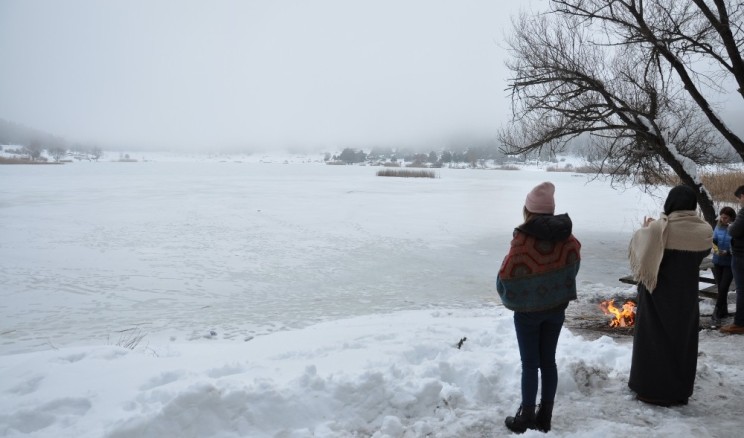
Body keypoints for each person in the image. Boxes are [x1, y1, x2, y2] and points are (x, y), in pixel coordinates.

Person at [497, 182, 581, 434]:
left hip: (528, 314)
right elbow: (573, 263)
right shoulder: (568, 237)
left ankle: (526, 417)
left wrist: (515, 293)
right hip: (556, 309)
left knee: (530, 364)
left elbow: (507, 275)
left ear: (528, 210)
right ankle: (545, 417)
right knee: (549, 362)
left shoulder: (523, 238)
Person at [627, 185, 712, 406]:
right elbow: (702, 252)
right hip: (685, 297)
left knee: (652, 340)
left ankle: (650, 390)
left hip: (657, 293)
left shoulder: (657, 230)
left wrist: (648, 227)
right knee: (681, 343)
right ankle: (678, 391)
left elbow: (640, 245)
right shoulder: (703, 231)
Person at [721, 185, 744, 334]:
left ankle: (740, 323)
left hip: (741, 255)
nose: (740, 201)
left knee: (741, 290)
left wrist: (730, 226)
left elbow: (734, 230)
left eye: (740, 197)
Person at [711, 206, 736, 326]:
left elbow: (738, 246)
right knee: (721, 287)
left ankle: (715, 312)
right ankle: (724, 311)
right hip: (717, 261)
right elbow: (714, 240)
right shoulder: (718, 226)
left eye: (725, 218)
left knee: (723, 287)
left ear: (731, 218)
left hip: (730, 262)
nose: (722, 219)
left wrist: (728, 252)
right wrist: (715, 249)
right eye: (721, 217)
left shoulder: (736, 228)